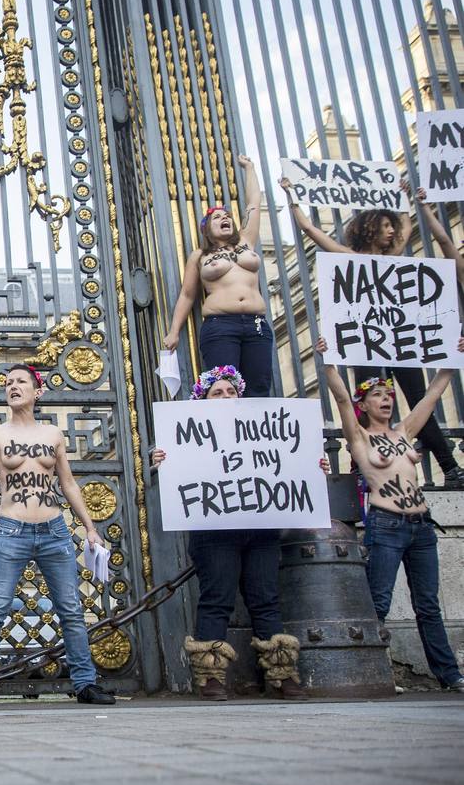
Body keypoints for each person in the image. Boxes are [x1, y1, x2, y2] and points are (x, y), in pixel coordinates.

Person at [151, 365, 323, 701]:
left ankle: (282, 675)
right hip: (214, 532)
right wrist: (163, 463)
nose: (226, 397)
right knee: (216, 601)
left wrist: (314, 467)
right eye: (218, 393)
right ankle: (210, 677)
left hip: (260, 530)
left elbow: (290, 464)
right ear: (202, 401)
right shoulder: (188, 437)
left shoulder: (263, 430)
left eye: (232, 392)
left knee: (266, 601)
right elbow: (174, 480)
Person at [0, 363, 116, 708]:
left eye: (20, 382)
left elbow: (68, 483)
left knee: (70, 608)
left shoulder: (53, 435)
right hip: (11, 530)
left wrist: (89, 527)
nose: (12, 387)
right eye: (8, 383)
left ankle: (85, 683)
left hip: (55, 531)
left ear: (37, 391)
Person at [284, 179, 461, 486]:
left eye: (391, 226)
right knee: (365, 404)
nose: (392, 231)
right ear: (369, 229)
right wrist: (294, 201)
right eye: (384, 226)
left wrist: (405, 199)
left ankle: (450, 469)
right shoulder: (350, 257)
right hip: (365, 343)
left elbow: (405, 226)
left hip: (401, 342)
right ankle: (361, 470)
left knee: (420, 401)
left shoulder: (392, 258)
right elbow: (314, 233)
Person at [318, 335, 464, 692]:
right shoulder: (360, 439)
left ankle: (449, 675)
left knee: (428, 606)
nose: (387, 399)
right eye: (378, 396)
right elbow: (340, 398)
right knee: (378, 602)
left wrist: (449, 361)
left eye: (388, 395)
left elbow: (430, 399)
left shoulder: (404, 432)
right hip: (386, 525)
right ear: (364, 405)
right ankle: (376, 670)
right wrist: (329, 363)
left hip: (422, 526)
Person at [163, 155, 273, 396]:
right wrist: (174, 331)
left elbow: (254, 203)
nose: (225, 219)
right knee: (222, 386)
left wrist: (250, 168)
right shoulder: (200, 255)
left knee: (260, 386)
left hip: (256, 323)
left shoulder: (246, 241)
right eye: (217, 217)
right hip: (220, 325)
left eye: (227, 217)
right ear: (207, 229)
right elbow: (187, 295)